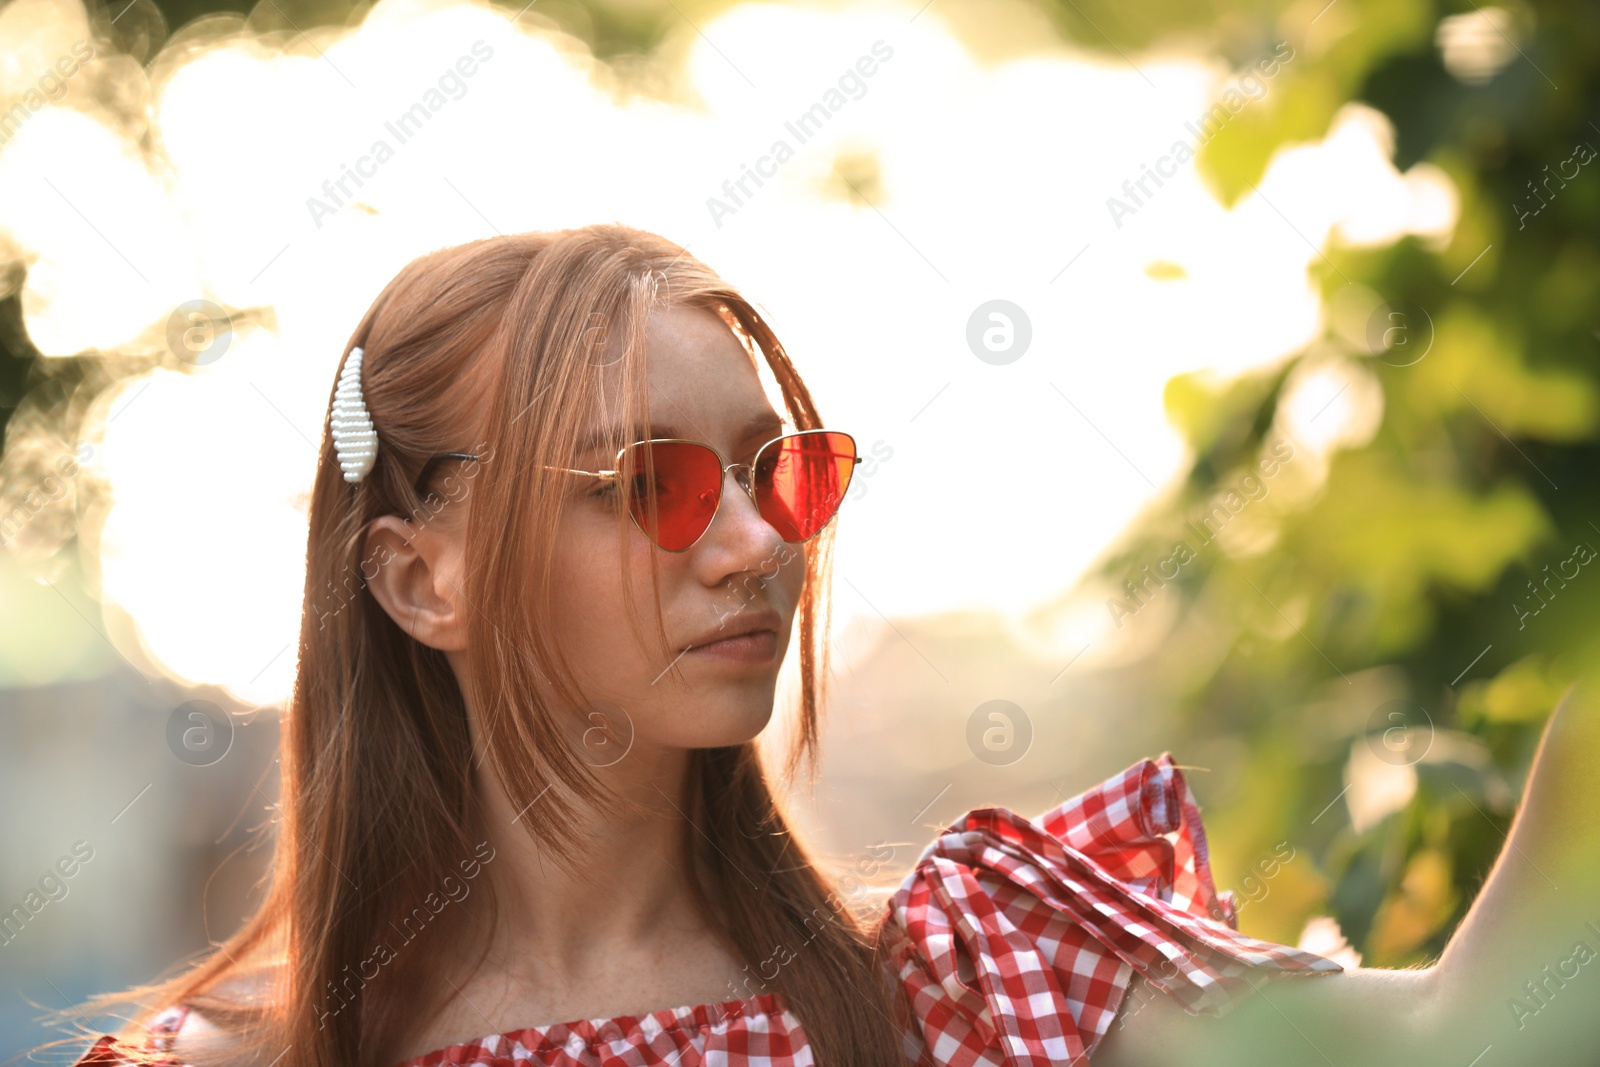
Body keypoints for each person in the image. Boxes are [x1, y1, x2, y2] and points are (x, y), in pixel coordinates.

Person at [57, 225, 1600, 1067]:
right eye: (645, 484)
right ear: (416, 580)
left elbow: (1478, 1044)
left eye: (779, 469)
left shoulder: (979, 983)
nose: (753, 544)